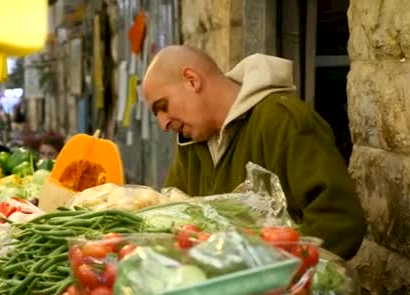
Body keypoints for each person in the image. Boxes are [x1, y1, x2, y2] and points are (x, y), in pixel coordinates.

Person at [141, 45, 366, 259]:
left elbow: (341, 222)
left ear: (192, 80)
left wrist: (266, 270)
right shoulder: (191, 144)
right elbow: (171, 221)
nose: (163, 124)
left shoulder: (284, 121)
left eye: (163, 107)